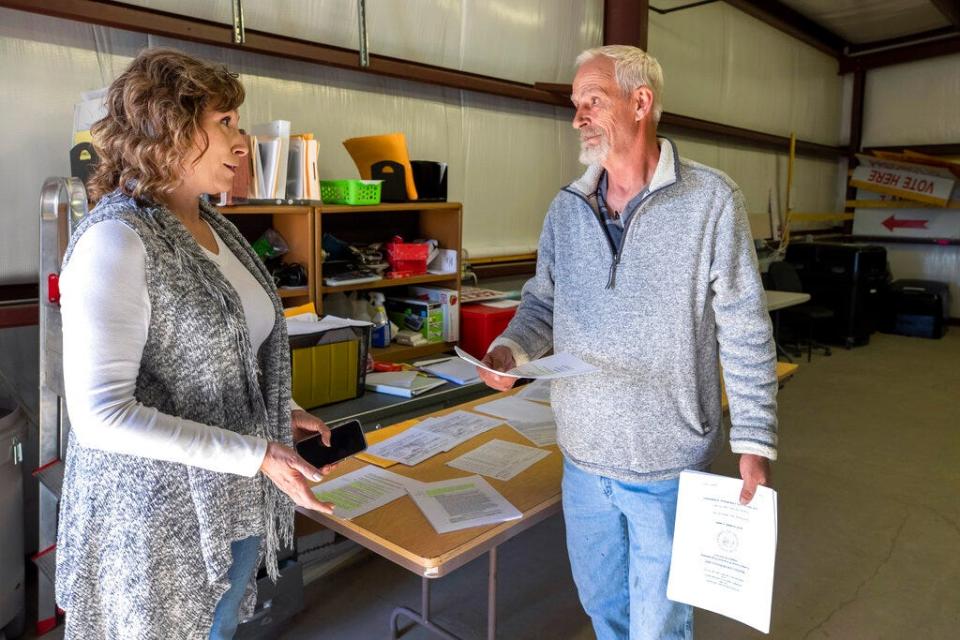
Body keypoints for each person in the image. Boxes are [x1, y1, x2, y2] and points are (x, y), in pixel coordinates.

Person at [478, 45, 778, 640]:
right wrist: (511, 349)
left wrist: (754, 439)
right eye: (575, 104)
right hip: (583, 460)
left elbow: (745, 328)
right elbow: (542, 303)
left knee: (659, 625)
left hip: (668, 463)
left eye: (592, 100)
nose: (577, 117)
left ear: (640, 103)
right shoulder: (566, 209)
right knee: (603, 608)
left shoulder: (712, 202)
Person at [56, 49, 338, 639]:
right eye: (225, 124)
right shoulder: (116, 240)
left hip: (228, 506)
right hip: (155, 532)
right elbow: (101, 417)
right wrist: (257, 453)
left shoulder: (219, 228)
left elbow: (225, 358)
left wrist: (281, 414)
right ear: (167, 130)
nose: (243, 143)